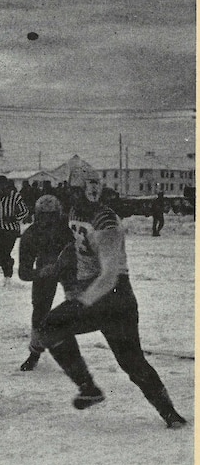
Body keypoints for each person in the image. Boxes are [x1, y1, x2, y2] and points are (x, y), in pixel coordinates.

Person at [37, 169, 187, 428]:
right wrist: (63, 266)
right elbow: (78, 248)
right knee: (132, 361)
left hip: (112, 294)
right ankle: (170, 414)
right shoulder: (77, 213)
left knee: (53, 326)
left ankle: (89, 387)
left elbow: (109, 274)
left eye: (75, 190)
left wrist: (82, 300)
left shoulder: (106, 220)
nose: (71, 194)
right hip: (107, 296)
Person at [16, 194, 75, 371]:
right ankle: (35, 352)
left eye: (52, 216)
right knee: (40, 311)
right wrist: (40, 272)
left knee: (76, 305)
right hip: (45, 270)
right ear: (37, 216)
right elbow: (23, 272)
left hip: (68, 267)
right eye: (44, 216)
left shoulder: (68, 228)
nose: (48, 222)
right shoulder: (31, 235)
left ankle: (70, 352)